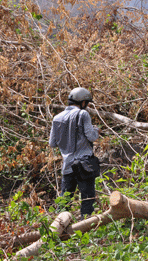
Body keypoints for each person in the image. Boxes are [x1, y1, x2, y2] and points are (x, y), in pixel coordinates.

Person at [49, 87, 100, 219]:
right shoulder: (83, 114)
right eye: (87, 103)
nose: (87, 105)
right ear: (82, 102)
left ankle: (59, 229)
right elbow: (91, 137)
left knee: (64, 202)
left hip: (67, 166)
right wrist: (96, 131)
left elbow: (52, 143)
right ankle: (86, 227)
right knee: (87, 200)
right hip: (84, 165)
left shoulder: (57, 118)